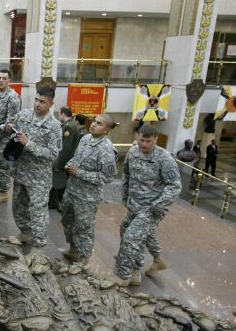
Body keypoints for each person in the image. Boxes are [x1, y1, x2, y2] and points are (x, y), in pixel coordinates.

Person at [113, 124, 181, 286]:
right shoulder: (133, 152)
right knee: (127, 230)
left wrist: (160, 205)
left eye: (148, 141)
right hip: (134, 204)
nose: (144, 144)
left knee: (131, 238)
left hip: (151, 209)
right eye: (141, 140)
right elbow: (126, 175)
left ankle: (122, 276)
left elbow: (175, 185)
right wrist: (125, 198)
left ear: (156, 140)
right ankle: (138, 271)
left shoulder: (164, 158)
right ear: (137, 137)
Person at [1, 87, 62, 248]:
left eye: (42, 102)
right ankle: (26, 233)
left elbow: (52, 154)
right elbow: (9, 126)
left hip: (39, 178)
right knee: (18, 207)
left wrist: (29, 144)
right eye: (36, 99)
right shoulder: (24, 115)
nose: (37, 104)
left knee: (38, 213)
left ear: (51, 103)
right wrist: (6, 128)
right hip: (21, 172)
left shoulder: (54, 126)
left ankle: (39, 245)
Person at [60, 114, 118, 263]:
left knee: (83, 227)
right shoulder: (85, 138)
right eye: (94, 122)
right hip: (72, 189)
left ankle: (84, 259)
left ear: (106, 130)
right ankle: (74, 250)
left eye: (99, 124)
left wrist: (79, 173)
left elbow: (107, 177)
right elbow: (76, 158)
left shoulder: (106, 149)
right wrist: (69, 164)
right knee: (68, 220)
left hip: (88, 196)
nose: (93, 125)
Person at [0, 69, 21, 204]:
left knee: (2, 165)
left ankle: (4, 191)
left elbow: (12, 121)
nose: (0, 80)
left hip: (3, 138)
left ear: (9, 80)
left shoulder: (12, 97)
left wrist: (0, 135)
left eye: (4, 78)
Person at [49, 107, 79, 210]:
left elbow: (65, 149)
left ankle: (59, 205)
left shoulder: (69, 127)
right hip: (68, 160)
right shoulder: (72, 124)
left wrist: (58, 165)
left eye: (59, 114)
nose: (59, 116)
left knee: (59, 183)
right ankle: (55, 203)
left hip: (65, 161)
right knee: (60, 184)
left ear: (62, 114)